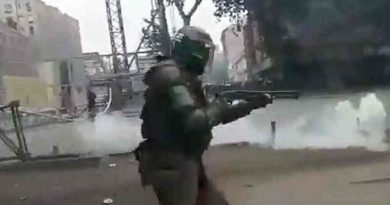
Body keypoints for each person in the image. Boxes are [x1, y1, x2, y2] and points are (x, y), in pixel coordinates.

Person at [136, 26, 271, 205]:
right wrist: (218, 106)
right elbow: (194, 121)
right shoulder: (170, 76)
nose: (207, 57)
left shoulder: (183, 77)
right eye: (204, 50)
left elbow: (215, 117)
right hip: (172, 163)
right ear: (192, 51)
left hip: (184, 159)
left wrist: (252, 104)